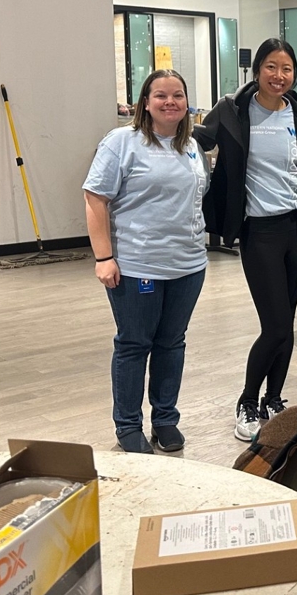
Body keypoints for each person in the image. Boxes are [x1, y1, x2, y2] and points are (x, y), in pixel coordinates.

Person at [194, 39, 297, 442]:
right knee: (277, 325)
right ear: (257, 70)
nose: (278, 76)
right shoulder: (232, 110)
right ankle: (248, 400)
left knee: (287, 325)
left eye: (286, 68)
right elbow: (196, 141)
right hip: (259, 231)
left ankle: (274, 398)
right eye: (270, 67)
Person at [84, 69, 209, 454]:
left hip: (187, 265)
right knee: (135, 345)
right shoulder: (122, 142)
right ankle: (128, 426)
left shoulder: (191, 145)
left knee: (172, 343)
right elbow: (95, 198)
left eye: (177, 95)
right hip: (138, 265)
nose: (170, 102)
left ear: (187, 102)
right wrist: (104, 257)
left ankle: (165, 420)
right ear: (145, 102)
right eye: (160, 95)